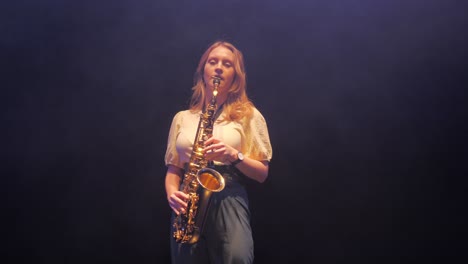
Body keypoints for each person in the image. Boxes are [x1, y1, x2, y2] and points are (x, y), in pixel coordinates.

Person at [164, 40, 273, 264]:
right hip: (189, 201)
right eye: (212, 62)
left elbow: (262, 173)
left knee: (237, 258)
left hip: (229, 195)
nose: (219, 67)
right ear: (203, 70)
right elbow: (174, 168)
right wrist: (172, 194)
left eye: (227, 64)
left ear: (236, 75)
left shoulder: (249, 115)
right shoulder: (182, 118)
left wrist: (234, 156)